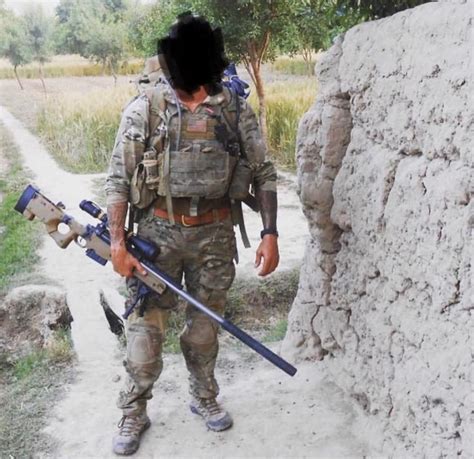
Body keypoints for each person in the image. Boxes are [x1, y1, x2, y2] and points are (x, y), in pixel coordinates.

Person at [105, 13, 279, 456]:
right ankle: (133, 410)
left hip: (216, 233)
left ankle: (203, 396)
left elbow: (263, 172)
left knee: (206, 327)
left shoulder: (235, 109)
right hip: (158, 232)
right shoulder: (146, 109)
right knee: (145, 328)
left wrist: (270, 232)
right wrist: (119, 245)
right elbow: (118, 181)